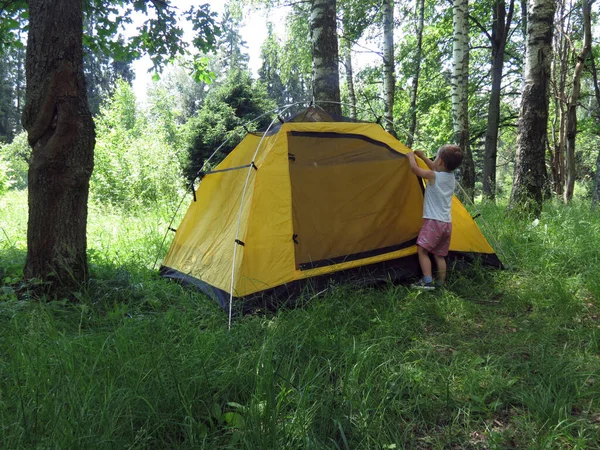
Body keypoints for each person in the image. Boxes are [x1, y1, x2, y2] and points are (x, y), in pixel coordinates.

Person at [406, 145, 463, 290]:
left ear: (441, 162)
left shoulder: (433, 176)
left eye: (436, 157)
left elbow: (415, 170)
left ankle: (427, 281)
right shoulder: (451, 178)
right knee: (439, 255)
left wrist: (411, 157)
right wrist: (423, 157)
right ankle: (441, 282)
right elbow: (435, 167)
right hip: (446, 224)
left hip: (433, 223)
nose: (434, 160)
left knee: (422, 250)